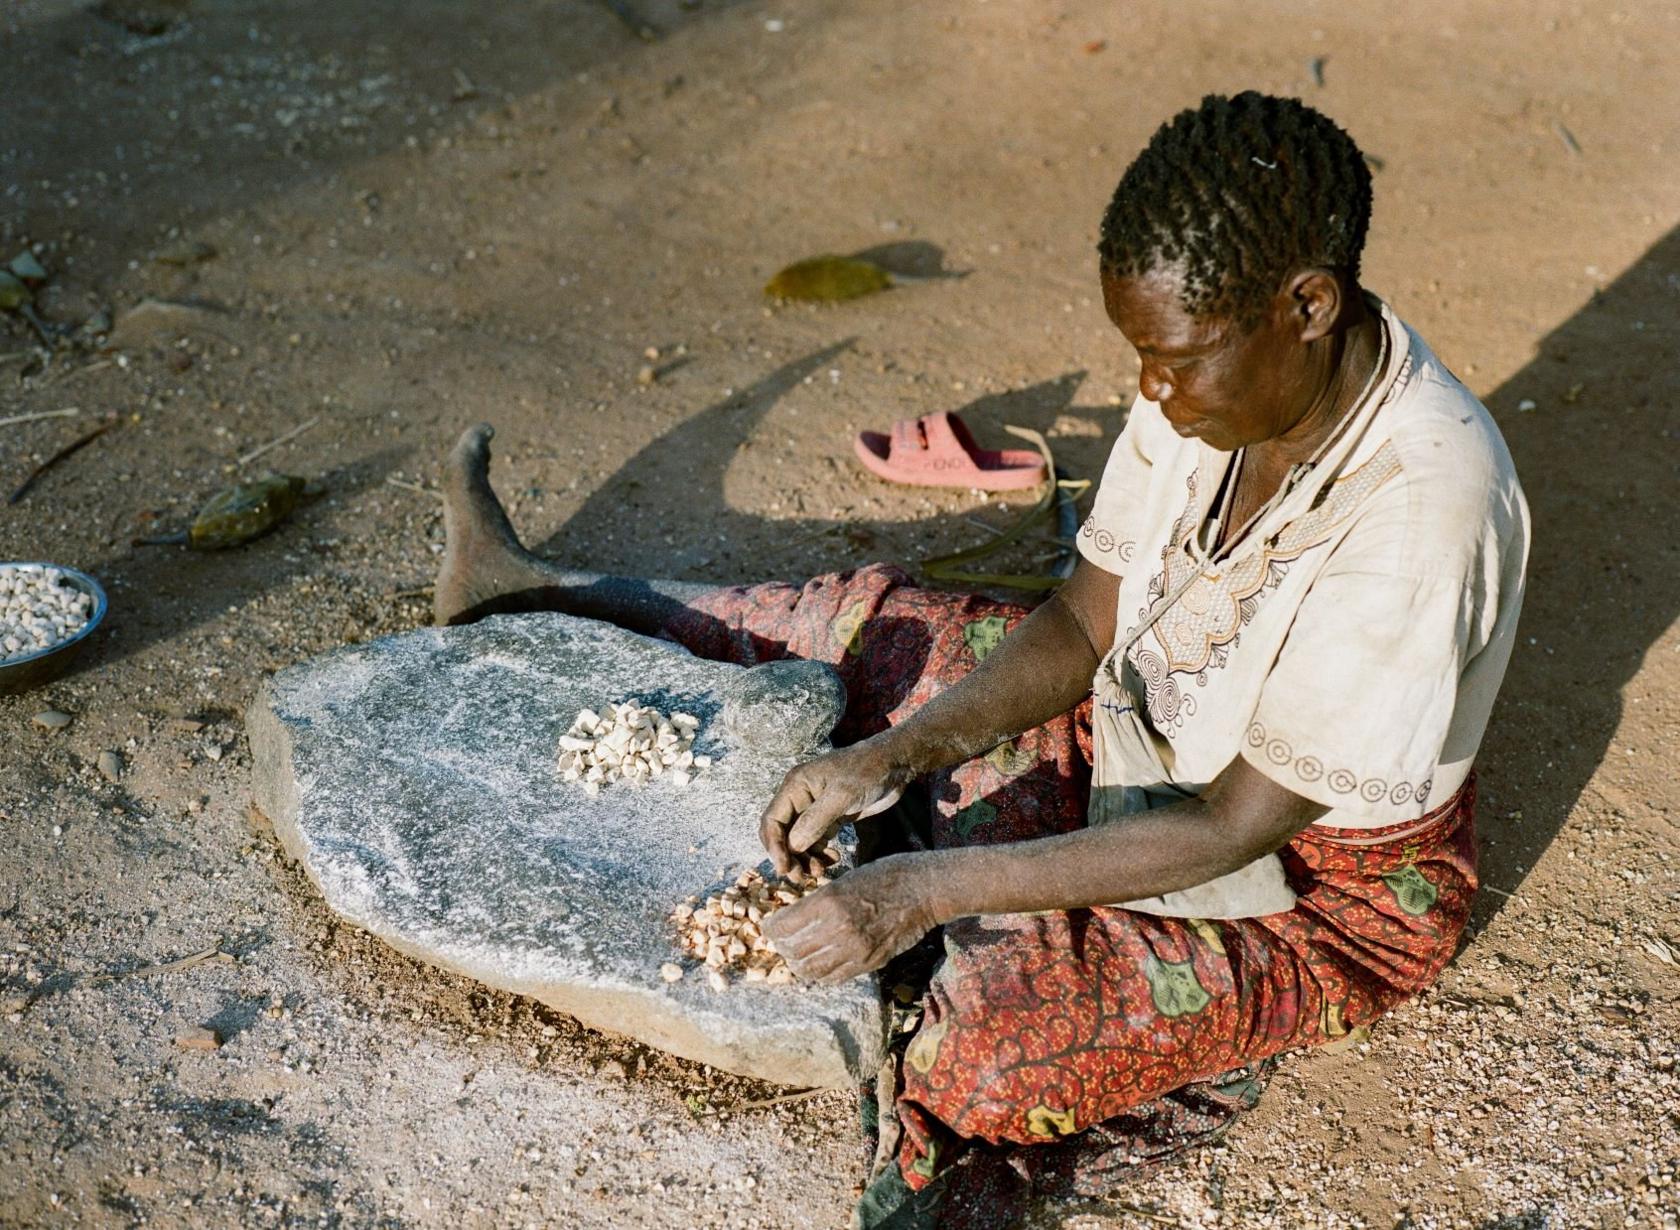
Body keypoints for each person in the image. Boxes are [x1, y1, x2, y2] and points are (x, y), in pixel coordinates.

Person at [432, 91, 1528, 1228]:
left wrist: (915, 890)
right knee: (886, 630)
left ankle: (1078, 977)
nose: (1149, 392)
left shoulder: (1422, 512)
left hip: (1307, 889)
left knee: (985, 1062)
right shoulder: (1219, 381)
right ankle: (539, 592)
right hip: (1134, 731)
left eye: (1175, 360)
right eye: (1140, 356)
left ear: (1307, 304)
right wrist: (899, 757)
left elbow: (1231, 830)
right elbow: (1085, 622)